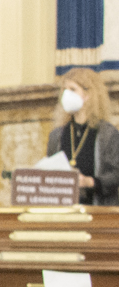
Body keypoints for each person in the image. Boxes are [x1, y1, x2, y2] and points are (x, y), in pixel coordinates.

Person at [46, 68, 119, 206]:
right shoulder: (57, 135)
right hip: (65, 209)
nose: (66, 95)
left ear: (88, 94)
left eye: (72, 89)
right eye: (64, 90)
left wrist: (89, 181)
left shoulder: (107, 133)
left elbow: (116, 175)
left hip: (97, 210)